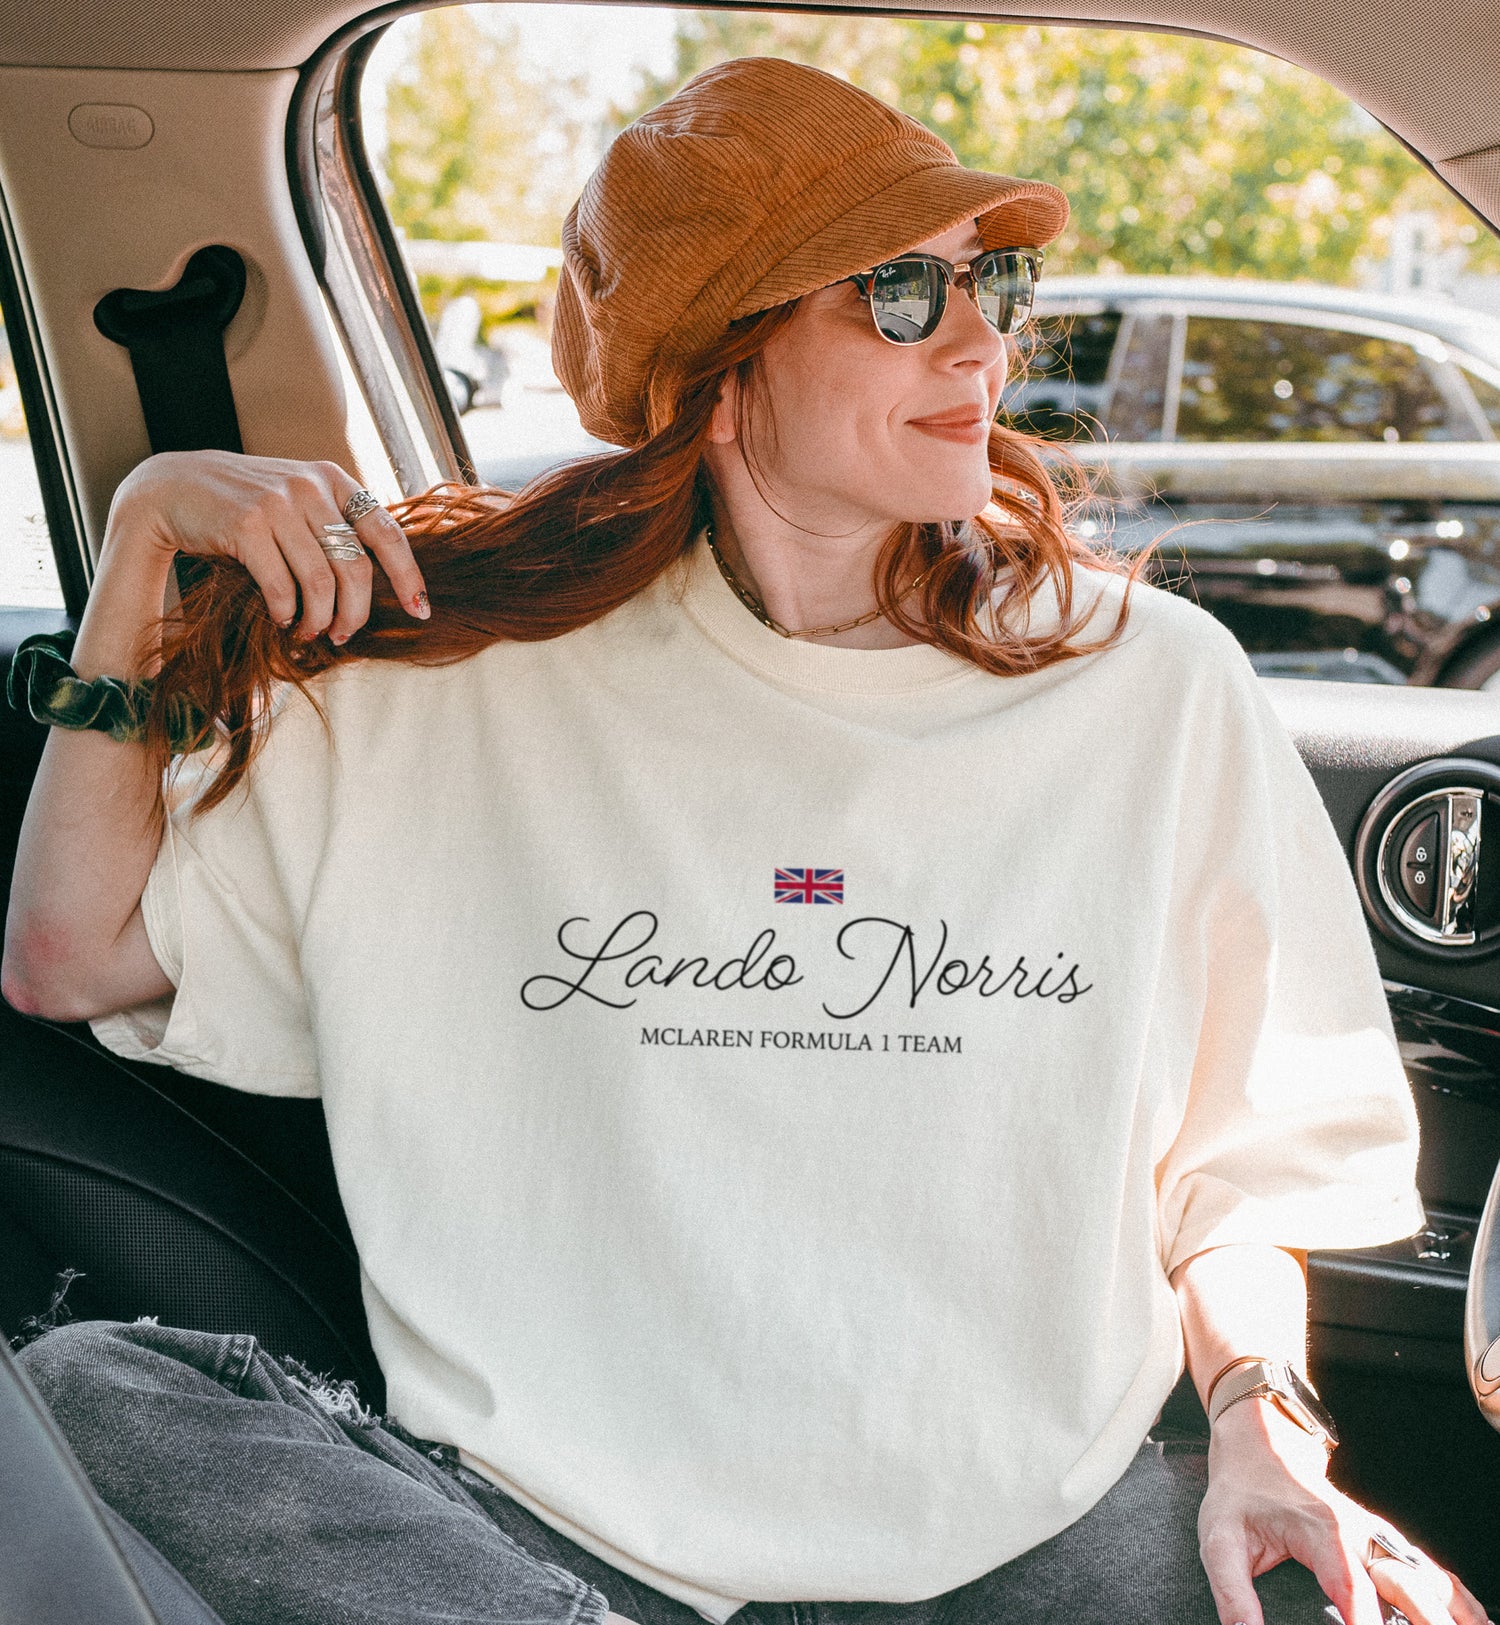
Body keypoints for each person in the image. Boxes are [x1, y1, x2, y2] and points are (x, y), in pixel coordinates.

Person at [1, 53, 1487, 1625]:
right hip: (549, 1551)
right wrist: (141, 547)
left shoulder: (1149, 686)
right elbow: (63, 956)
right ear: (721, 376)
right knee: (98, 1393)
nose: (983, 338)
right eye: (902, 292)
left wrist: (1270, 1430)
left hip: (1032, 1540)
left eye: (996, 282)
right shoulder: (446, 694)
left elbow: (1245, 1172)